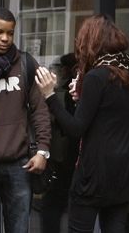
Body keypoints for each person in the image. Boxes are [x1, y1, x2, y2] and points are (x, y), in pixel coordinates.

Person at [34, 15, 129, 233]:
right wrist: (81, 98)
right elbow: (108, 115)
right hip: (124, 171)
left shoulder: (95, 77)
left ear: (90, 42)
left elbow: (76, 128)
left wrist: (50, 95)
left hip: (94, 174)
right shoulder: (127, 75)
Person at [0, 9, 52, 233]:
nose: (5, 38)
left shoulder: (25, 63)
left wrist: (43, 150)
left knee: (19, 228)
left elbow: (39, 110)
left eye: (10, 33)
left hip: (20, 163)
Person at [38, 53, 78, 233]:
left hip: (66, 156)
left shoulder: (66, 93)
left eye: (61, 68)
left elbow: (68, 125)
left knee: (53, 202)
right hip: (68, 156)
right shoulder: (68, 91)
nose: (58, 71)